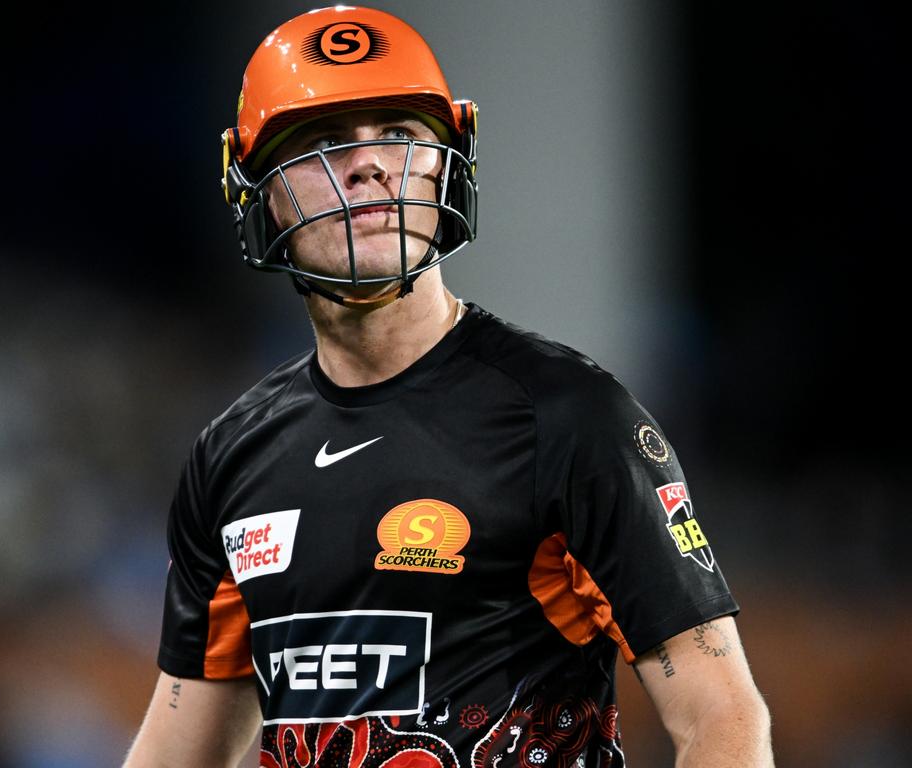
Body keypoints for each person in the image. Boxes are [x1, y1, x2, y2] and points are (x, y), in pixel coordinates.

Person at [124, 6, 773, 767]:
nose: (368, 166)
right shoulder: (230, 458)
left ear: (446, 162)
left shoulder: (569, 418)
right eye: (327, 142)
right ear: (258, 188)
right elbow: (179, 748)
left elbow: (723, 717)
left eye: (399, 135)